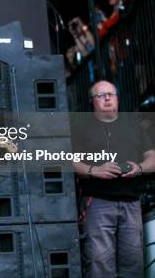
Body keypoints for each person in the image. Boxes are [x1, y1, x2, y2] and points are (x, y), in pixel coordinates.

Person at [72, 80, 155, 277]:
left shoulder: (133, 126)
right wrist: (94, 170)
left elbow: (153, 157)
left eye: (111, 94)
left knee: (133, 261)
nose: (107, 98)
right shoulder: (81, 127)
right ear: (93, 101)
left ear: (117, 98)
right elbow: (70, 161)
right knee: (99, 262)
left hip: (132, 201)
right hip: (98, 200)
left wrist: (139, 168)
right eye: (101, 95)